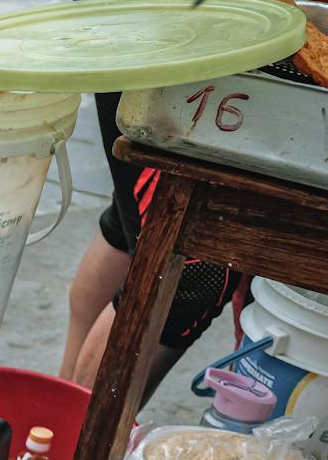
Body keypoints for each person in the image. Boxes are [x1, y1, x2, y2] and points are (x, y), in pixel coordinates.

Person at [58, 93, 243, 403]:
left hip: (161, 68)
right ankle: (76, 434)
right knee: (185, 266)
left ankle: (53, 420)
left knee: (135, 222)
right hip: (206, 82)